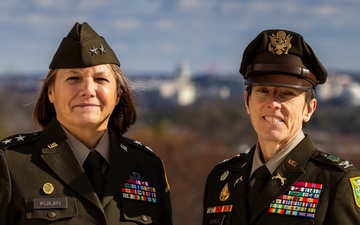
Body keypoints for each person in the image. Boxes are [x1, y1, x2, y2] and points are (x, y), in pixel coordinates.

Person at [0, 22, 173, 225]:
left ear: (118, 94)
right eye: (73, 78)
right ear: (50, 92)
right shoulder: (12, 164)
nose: (88, 90)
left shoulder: (149, 167)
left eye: (101, 79)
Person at [202, 29, 360, 225]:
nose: (273, 103)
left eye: (286, 94)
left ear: (309, 109)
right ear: (247, 101)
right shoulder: (220, 179)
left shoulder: (335, 182)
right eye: (263, 90)